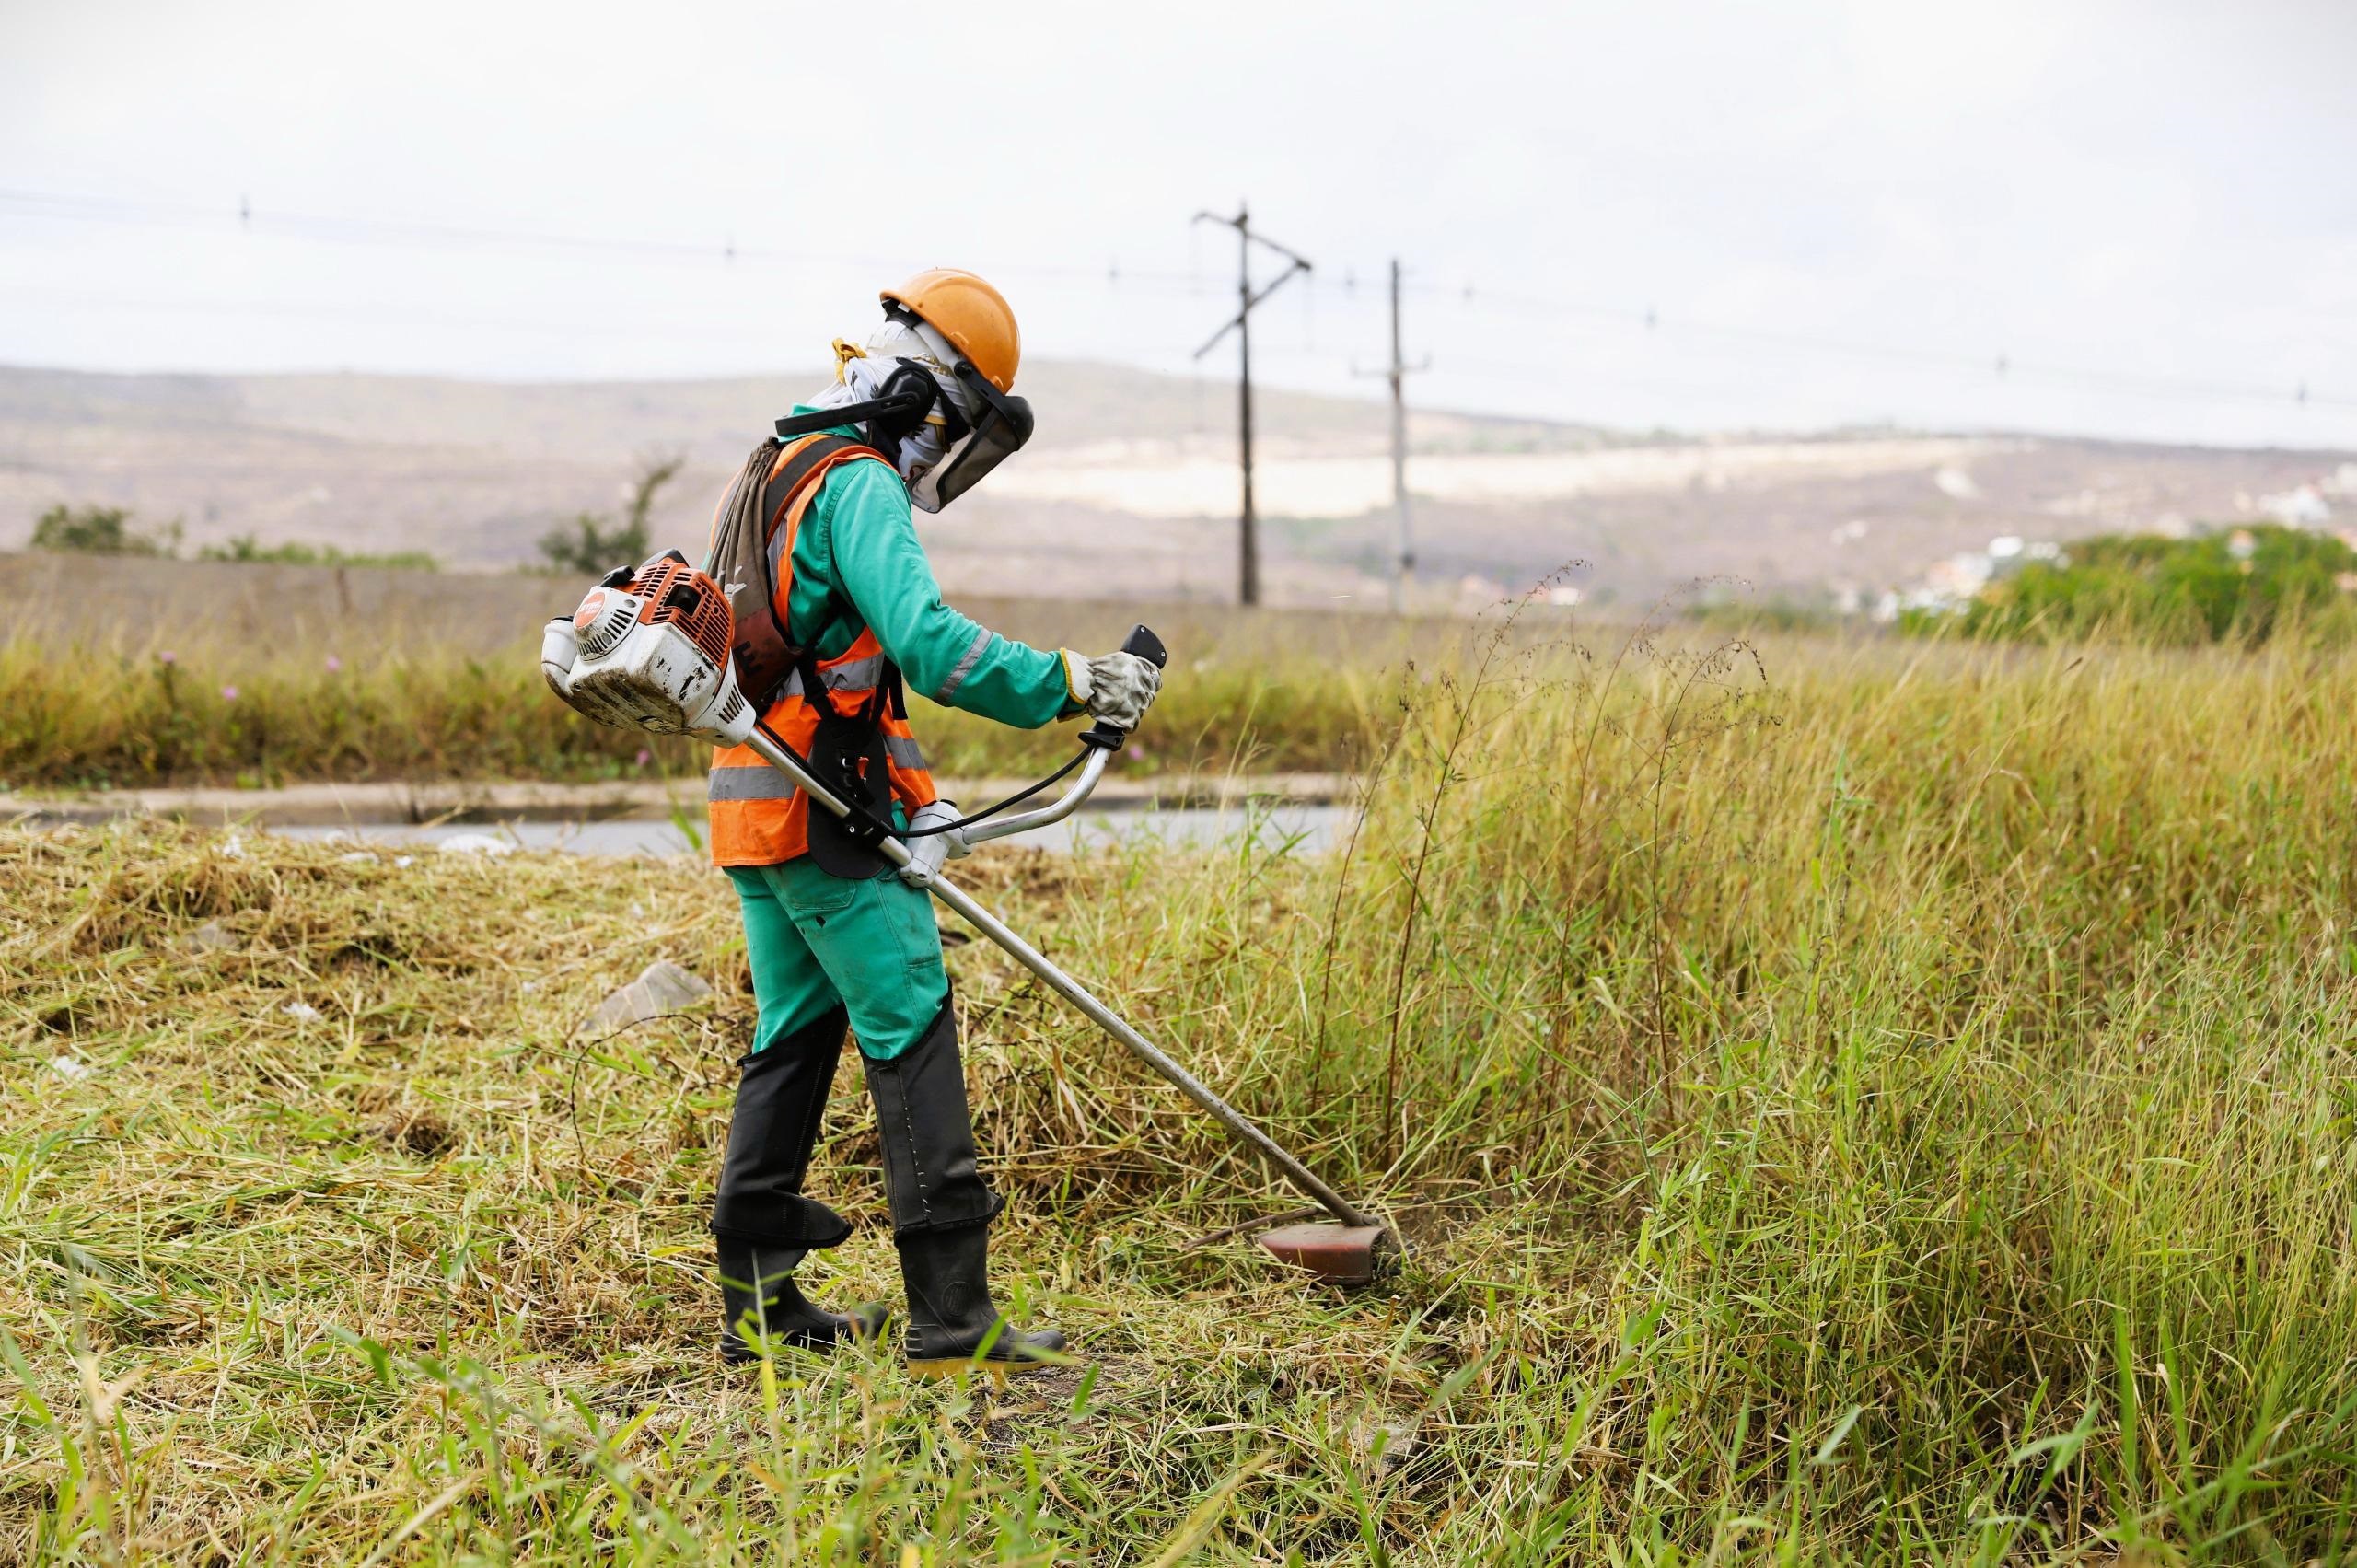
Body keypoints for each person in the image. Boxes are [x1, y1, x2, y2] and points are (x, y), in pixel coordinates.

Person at [704, 269, 1161, 1376]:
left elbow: (843, 677)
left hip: (760, 806)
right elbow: (930, 645)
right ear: (926, 394)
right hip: (816, 818)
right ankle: (953, 1317)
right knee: (910, 1018)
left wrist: (925, 801)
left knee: (794, 1035)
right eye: (956, 427)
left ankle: (757, 1306)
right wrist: (1073, 680)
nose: (946, 453)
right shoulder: (858, 482)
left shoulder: (783, 460)